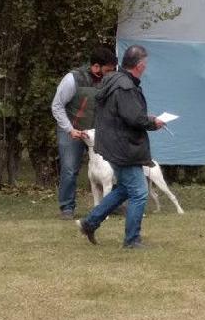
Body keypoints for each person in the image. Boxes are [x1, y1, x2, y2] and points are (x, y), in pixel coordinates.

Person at [77, 45, 165, 249]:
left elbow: (123, 114)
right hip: (124, 147)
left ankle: (89, 223)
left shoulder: (113, 79)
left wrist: (145, 119)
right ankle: (132, 240)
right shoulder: (125, 87)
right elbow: (133, 118)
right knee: (139, 192)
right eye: (146, 64)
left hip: (111, 143)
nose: (146, 67)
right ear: (140, 65)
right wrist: (153, 122)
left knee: (125, 188)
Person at [51, 46, 118, 220]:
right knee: (69, 169)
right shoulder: (72, 79)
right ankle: (67, 208)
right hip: (72, 129)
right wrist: (69, 129)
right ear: (96, 66)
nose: (110, 74)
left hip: (97, 133)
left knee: (114, 166)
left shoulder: (109, 81)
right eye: (108, 70)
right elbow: (57, 106)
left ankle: (112, 204)